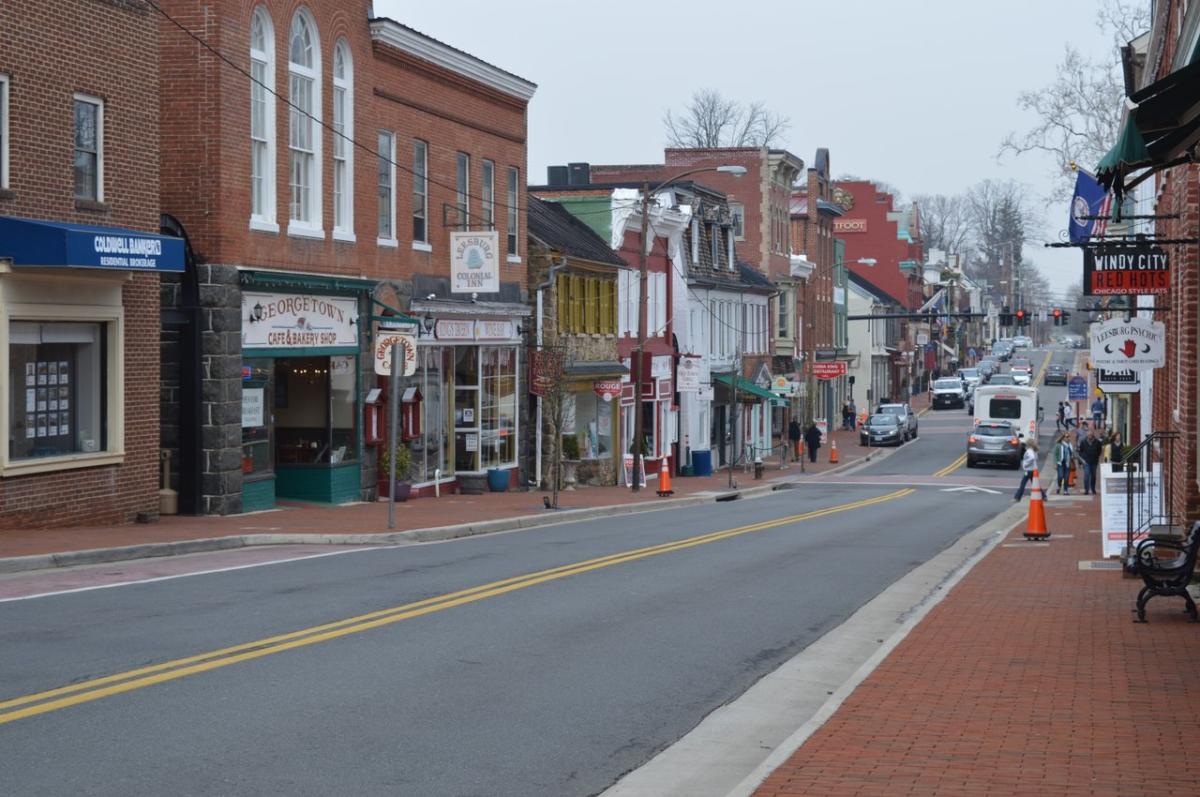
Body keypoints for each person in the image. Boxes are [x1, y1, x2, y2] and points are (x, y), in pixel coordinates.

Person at [1077, 428, 1102, 496]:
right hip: (1086, 462)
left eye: (1091, 434)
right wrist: (1080, 462)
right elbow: (1080, 452)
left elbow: (1099, 451)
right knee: (1086, 475)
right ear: (1087, 435)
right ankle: (1086, 489)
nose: (1090, 436)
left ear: (1093, 434)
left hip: (1094, 461)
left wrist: (1096, 456)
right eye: (1088, 434)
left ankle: (1093, 488)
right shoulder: (1083, 442)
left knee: (1093, 476)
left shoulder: (1097, 442)